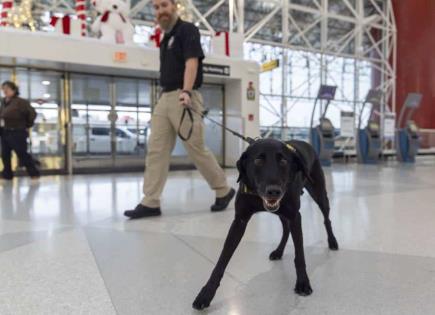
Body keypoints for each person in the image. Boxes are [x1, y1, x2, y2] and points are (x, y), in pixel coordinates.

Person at [124, 0, 235, 219]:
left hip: (184, 95)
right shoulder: (166, 38)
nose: (160, 11)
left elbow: (191, 63)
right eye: (156, 8)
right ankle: (151, 201)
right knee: (156, 150)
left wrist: (187, 91)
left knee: (196, 148)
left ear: (175, 6)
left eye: (164, 5)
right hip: (165, 98)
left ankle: (223, 190)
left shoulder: (187, 30)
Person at [0, 81, 40, 180]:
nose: (5, 91)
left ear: (14, 90)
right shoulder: (3, 102)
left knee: (22, 154)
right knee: (5, 154)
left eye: (7, 88)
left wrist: (27, 125)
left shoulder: (21, 102)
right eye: (3, 88)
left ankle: (34, 173)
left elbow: (32, 114)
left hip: (17, 132)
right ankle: (7, 174)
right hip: (5, 131)